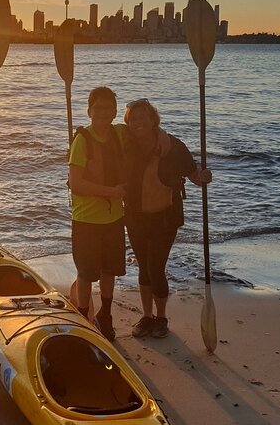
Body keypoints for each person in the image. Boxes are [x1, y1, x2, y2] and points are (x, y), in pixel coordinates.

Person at [123, 98, 212, 338]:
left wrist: (203, 176)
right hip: (135, 216)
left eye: (142, 117)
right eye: (133, 119)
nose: (137, 122)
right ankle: (146, 316)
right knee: (144, 268)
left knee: (155, 267)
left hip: (165, 218)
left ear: (153, 120)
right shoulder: (125, 144)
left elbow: (193, 175)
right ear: (127, 123)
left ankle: (161, 318)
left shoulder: (172, 145)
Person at [68, 86, 127, 341]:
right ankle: (83, 314)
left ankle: (105, 314)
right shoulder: (82, 140)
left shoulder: (119, 134)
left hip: (113, 219)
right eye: (98, 108)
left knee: (109, 270)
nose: (103, 112)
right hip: (86, 220)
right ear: (89, 111)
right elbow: (76, 182)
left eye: (108, 108)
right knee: (86, 272)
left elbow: (147, 132)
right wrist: (111, 191)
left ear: (115, 111)